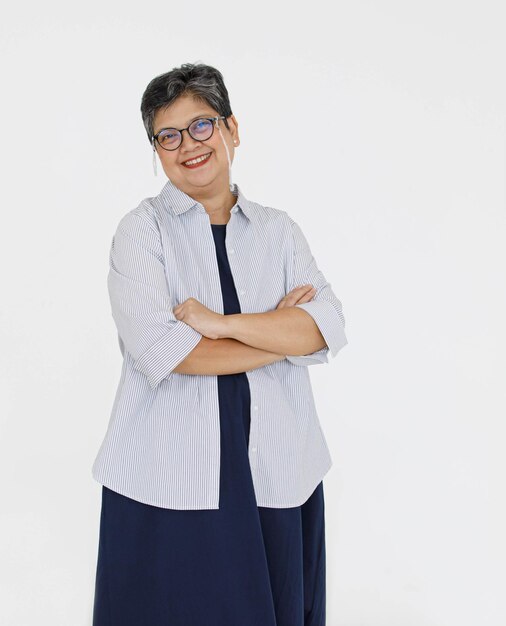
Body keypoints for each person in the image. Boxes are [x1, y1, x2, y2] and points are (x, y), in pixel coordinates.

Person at [91, 62, 348, 626]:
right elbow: (163, 353)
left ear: (232, 128)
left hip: (278, 465)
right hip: (169, 471)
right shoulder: (142, 231)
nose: (188, 146)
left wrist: (219, 322)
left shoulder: (279, 231)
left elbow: (326, 325)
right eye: (168, 136)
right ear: (156, 150)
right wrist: (279, 333)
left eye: (202, 125)